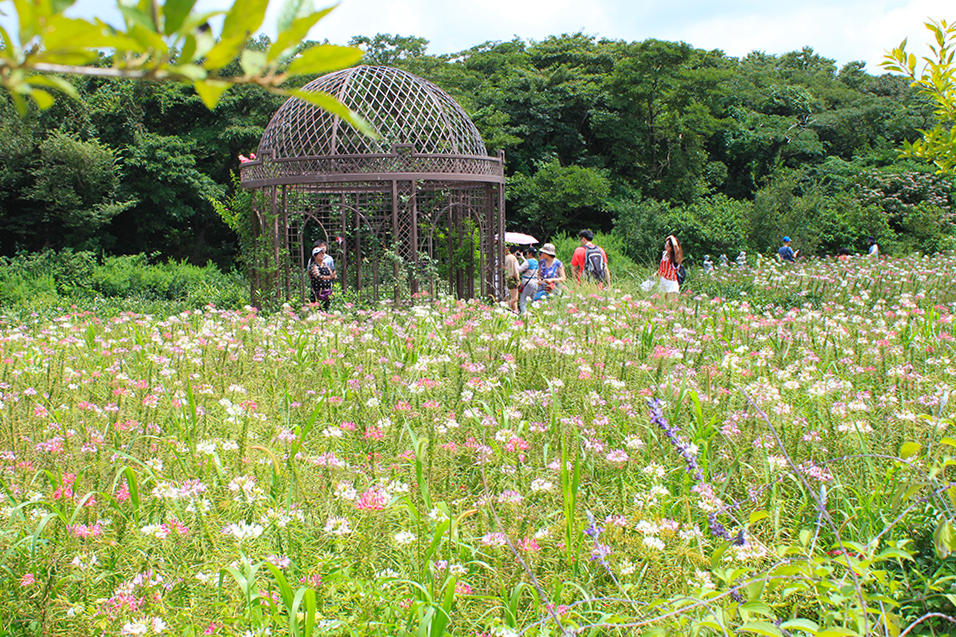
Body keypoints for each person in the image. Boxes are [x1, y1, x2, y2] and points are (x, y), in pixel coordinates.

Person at [308, 241, 336, 310]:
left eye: (322, 253)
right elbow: (319, 276)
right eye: (319, 254)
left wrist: (333, 275)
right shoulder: (314, 266)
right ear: (315, 256)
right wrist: (330, 277)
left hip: (327, 292)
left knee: (327, 309)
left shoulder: (325, 265)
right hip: (318, 293)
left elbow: (331, 273)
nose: (322, 255)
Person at [656, 235, 683, 304]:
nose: (665, 247)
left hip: (671, 282)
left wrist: (672, 237)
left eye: (668, 246)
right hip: (663, 281)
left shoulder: (675, 258)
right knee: (662, 304)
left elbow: (676, 246)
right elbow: (661, 268)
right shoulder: (664, 254)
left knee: (672, 304)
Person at [517, 247, 539, 313]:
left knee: (523, 302)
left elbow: (519, 269)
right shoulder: (536, 261)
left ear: (529, 253)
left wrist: (515, 262)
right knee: (532, 302)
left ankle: (525, 317)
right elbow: (528, 264)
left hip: (527, 283)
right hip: (535, 283)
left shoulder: (527, 262)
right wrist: (522, 257)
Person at [503, 245, 521, 312]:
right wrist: (518, 280)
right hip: (513, 278)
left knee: (513, 298)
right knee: (515, 298)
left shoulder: (507, 257)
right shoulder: (513, 258)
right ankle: (503, 307)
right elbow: (516, 270)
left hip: (508, 278)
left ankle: (515, 311)